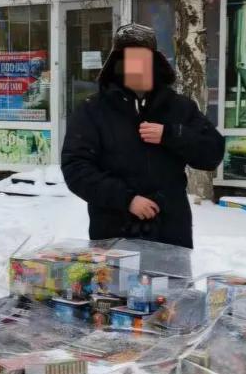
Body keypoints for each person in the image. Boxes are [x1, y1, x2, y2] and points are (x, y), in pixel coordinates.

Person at [61, 23, 224, 249]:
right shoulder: (92, 111)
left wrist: (171, 135)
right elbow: (76, 168)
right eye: (129, 59)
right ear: (117, 64)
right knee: (114, 285)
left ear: (156, 63)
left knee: (172, 286)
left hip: (170, 235)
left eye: (143, 59)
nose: (137, 67)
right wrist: (126, 199)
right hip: (114, 234)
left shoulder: (179, 107)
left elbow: (212, 152)